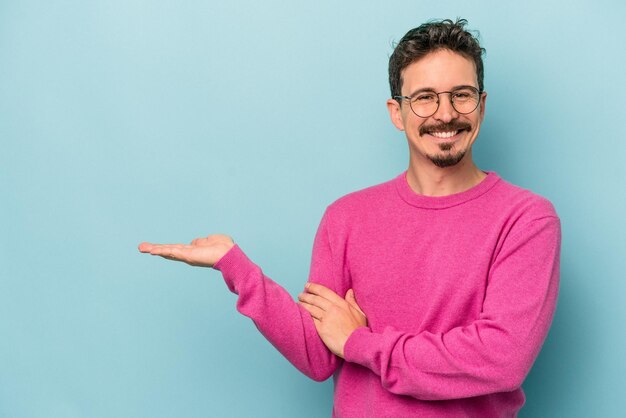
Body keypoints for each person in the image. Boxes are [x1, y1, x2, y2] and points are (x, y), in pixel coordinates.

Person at [138, 18, 561, 417]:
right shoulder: (347, 217)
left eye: (461, 95)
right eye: (425, 98)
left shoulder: (526, 219)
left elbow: (501, 360)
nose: (445, 113)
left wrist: (361, 343)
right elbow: (320, 355)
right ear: (397, 112)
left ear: (481, 106)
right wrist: (236, 267)